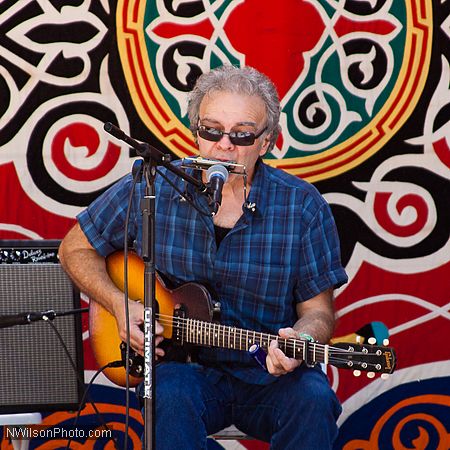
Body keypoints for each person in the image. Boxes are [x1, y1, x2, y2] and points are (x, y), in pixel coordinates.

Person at [59, 65, 348, 449]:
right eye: (211, 130)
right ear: (196, 133)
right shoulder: (154, 185)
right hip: (184, 370)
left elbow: (319, 312)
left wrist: (303, 339)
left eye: (242, 134)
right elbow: (73, 248)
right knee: (169, 396)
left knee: (313, 399)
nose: (224, 145)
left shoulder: (302, 205)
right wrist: (118, 302)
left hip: (270, 376)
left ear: (266, 142)